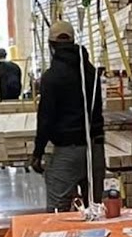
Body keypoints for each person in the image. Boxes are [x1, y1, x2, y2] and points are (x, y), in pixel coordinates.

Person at [31, 20, 105, 211]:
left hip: (68, 151)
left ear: (51, 45)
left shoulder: (52, 76)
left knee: (58, 210)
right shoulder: (91, 72)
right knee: (95, 209)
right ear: (73, 42)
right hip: (95, 149)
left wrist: (37, 153)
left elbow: (46, 118)